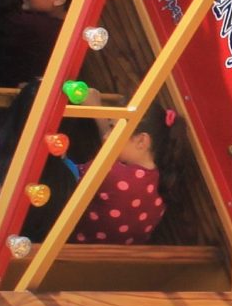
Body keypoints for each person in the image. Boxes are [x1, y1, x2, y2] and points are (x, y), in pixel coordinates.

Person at [70, 100, 175, 244]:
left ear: (141, 141)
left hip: (72, 246)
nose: (106, 136)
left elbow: (68, 175)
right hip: (112, 261)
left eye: (113, 128)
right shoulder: (161, 180)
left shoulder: (112, 172)